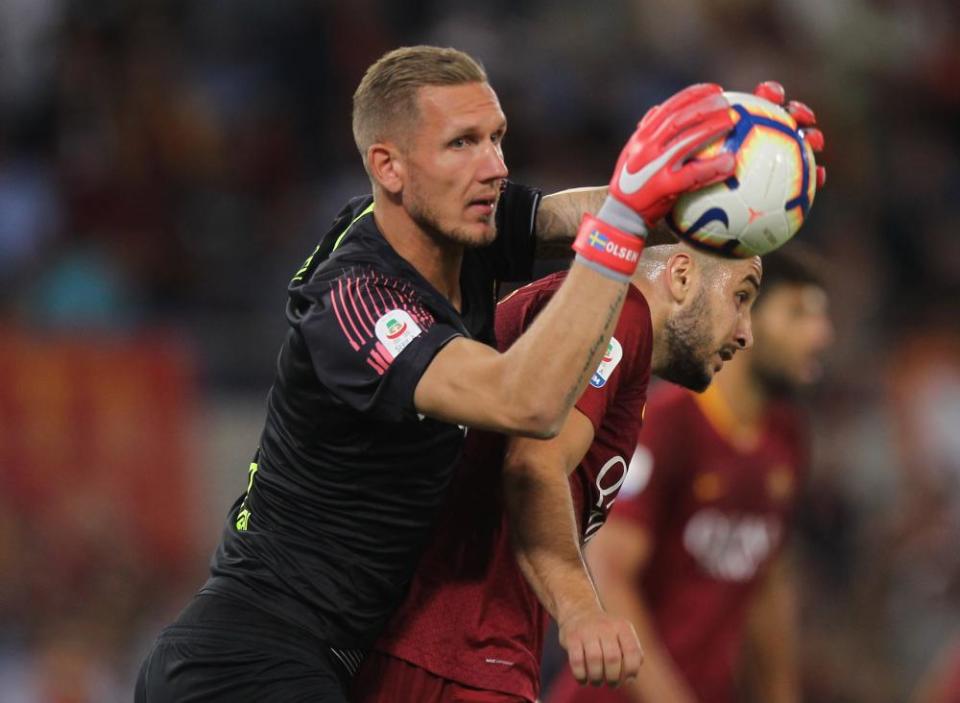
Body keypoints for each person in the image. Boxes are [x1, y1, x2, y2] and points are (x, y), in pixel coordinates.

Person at [135, 45, 739, 702]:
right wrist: (624, 223)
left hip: (324, 661)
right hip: (246, 656)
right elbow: (525, 401)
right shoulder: (359, 302)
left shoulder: (456, 223)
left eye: (497, 138)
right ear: (388, 166)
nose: (494, 166)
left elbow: (572, 215)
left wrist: (729, 176)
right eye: (463, 144)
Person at [351, 236, 766, 703]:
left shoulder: (599, 327)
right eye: (741, 297)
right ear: (682, 276)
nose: (746, 332)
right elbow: (534, 464)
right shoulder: (617, 313)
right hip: (455, 653)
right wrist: (583, 612)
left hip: (453, 649)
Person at [545, 246, 834, 703]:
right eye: (798, 313)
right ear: (744, 313)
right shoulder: (669, 422)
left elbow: (766, 584)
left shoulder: (787, 438)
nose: (820, 334)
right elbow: (610, 572)